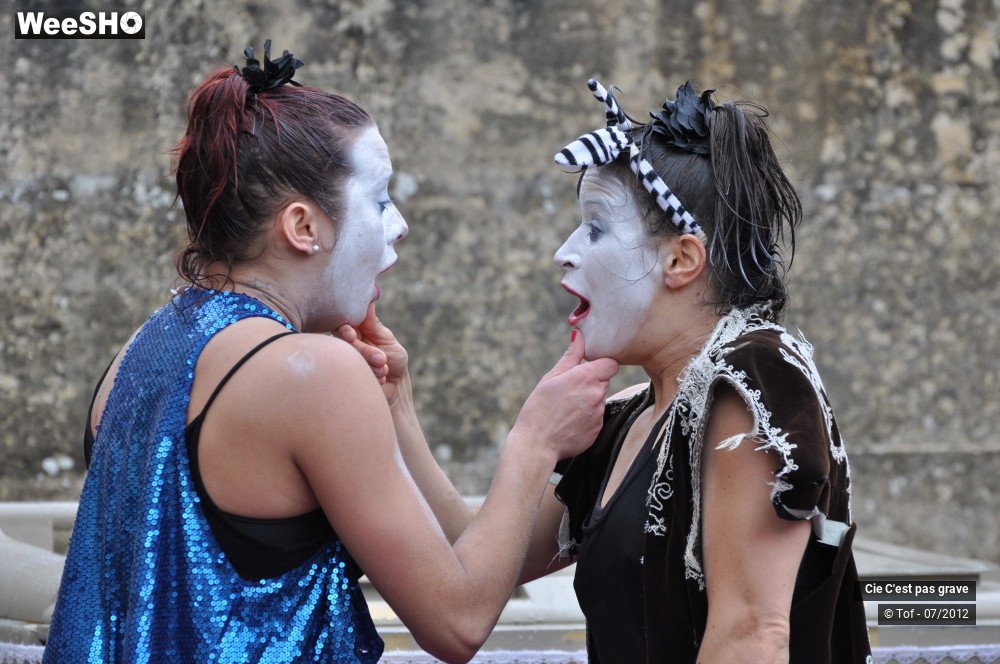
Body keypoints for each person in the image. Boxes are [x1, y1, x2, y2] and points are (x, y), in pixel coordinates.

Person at [43, 42, 618, 663]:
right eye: (379, 201)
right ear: (303, 228)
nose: (399, 225)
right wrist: (535, 440)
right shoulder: (313, 373)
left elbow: (455, 549)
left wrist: (396, 405)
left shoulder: (144, 346)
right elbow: (458, 622)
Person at [523, 80, 872, 662]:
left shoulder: (755, 375)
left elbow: (751, 633)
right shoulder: (629, 418)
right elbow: (481, 561)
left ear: (682, 258)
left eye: (597, 227)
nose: (565, 251)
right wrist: (397, 405)